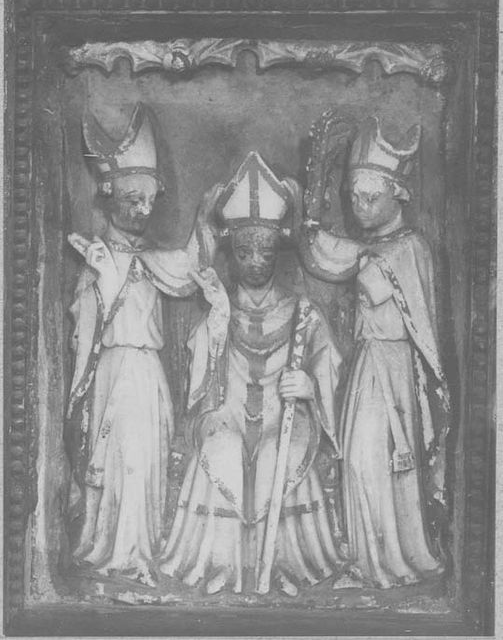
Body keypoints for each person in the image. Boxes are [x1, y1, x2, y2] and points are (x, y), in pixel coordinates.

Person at [159, 151, 346, 597]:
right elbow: (201, 373)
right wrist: (219, 317)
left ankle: (285, 566)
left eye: (266, 250)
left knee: (274, 459)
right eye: (245, 252)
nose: (256, 260)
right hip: (228, 412)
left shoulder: (303, 311)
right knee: (223, 449)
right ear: (232, 253)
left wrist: (311, 387)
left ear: (278, 252)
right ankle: (220, 566)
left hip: (286, 418)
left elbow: (329, 364)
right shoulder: (219, 307)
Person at [66, 102, 228, 586]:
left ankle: (143, 550)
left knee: (150, 462)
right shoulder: (96, 257)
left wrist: (203, 218)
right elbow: (87, 321)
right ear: (109, 195)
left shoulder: (154, 258)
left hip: (149, 375)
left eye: (149, 202)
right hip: (116, 373)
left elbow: (190, 266)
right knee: (126, 461)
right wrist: (104, 278)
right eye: (132, 200)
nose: (142, 210)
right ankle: (118, 552)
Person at [301, 116, 450, 589]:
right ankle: (367, 559)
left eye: (371, 198)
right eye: (353, 198)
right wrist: (311, 206)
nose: (360, 207)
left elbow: (359, 273)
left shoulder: (410, 248)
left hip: (395, 369)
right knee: (359, 461)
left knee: (374, 460)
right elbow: (322, 255)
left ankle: (390, 561)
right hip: (368, 363)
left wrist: (338, 247)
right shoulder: (374, 246)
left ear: (398, 194)